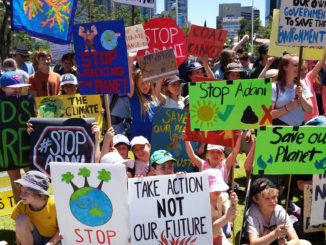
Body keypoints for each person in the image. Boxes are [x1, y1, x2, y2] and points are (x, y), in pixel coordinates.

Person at [247, 177, 311, 245]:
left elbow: (295, 240)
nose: (272, 201)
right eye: (267, 198)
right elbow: (253, 243)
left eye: (274, 197)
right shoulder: (253, 213)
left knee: (306, 243)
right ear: (256, 199)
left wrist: (286, 244)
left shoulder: (280, 211)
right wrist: (274, 234)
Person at [0, 71, 32, 203]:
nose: (17, 90)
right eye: (13, 88)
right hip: (9, 151)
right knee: (15, 183)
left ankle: (37, 212)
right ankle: (20, 213)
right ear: (2, 88)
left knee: (33, 180)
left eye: (19, 87)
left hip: (26, 147)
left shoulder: (27, 102)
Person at [11, 171, 62, 245]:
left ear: (38, 193)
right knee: (21, 219)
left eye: (26, 192)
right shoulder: (21, 206)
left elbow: (63, 229)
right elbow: (19, 230)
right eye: (21, 191)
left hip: (55, 240)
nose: (21, 196)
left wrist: (50, 243)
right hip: (34, 239)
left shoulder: (55, 204)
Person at [272, 54, 313, 126]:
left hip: (300, 130)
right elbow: (268, 114)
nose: (299, 67)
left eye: (299, 65)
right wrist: (288, 107)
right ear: (285, 67)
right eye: (295, 65)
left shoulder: (302, 85)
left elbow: (310, 110)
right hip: (281, 130)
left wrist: (301, 96)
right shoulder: (274, 87)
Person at [204, 168, 238, 245]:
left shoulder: (223, 197)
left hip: (219, 236)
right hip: (204, 239)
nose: (218, 190)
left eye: (219, 187)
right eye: (213, 187)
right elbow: (211, 229)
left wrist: (233, 205)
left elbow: (231, 219)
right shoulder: (200, 201)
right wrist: (226, 217)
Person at [128, 68, 159, 141]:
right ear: (136, 85)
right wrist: (130, 60)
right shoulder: (134, 97)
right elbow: (129, 80)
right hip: (139, 142)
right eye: (142, 83)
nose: (145, 86)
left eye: (147, 82)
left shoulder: (155, 98)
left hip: (154, 140)